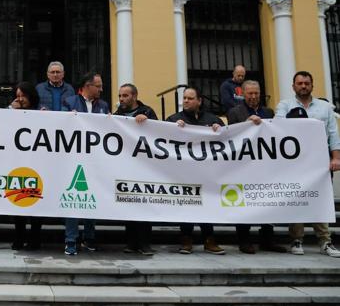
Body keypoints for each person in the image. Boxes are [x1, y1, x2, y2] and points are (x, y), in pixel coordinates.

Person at [276, 70, 340, 258]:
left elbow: (333, 135)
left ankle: (325, 241)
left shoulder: (325, 107)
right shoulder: (284, 106)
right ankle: (296, 239)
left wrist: (335, 158)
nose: (303, 86)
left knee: (321, 200)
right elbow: (277, 128)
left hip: (320, 162)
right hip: (294, 163)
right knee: (297, 199)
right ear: (293, 86)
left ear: (312, 85)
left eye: (306, 83)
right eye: (300, 83)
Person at [226, 80, 287, 254]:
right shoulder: (234, 112)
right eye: (250, 93)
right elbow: (232, 133)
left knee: (267, 200)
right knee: (244, 203)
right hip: (243, 165)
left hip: (264, 164)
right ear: (243, 94)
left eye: (256, 93)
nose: (253, 97)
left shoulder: (268, 112)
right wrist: (247, 122)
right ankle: (244, 240)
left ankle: (267, 238)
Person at [166, 86, 225, 255]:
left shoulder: (212, 119)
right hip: (184, 173)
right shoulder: (174, 119)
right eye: (184, 98)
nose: (185, 101)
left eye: (190, 98)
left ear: (199, 101)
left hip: (206, 173)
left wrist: (217, 128)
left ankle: (209, 239)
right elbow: (163, 138)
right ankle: (186, 239)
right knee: (187, 204)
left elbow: (226, 138)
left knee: (206, 205)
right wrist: (173, 128)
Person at [62, 73, 109, 255]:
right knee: (73, 199)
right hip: (73, 158)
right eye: (98, 86)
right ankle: (71, 240)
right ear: (88, 86)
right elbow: (60, 123)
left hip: (95, 160)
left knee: (92, 199)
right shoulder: (70, 101)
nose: (101, 89)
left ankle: (89, 238)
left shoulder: (103, 105)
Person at [113, 83, 157, 255]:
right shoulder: (118, 115)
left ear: (135, 96)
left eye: (125, 96)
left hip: (144, 166)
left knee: (144, 204)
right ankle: (131, 243)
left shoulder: (147, 111)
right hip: (126, 166)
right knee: (129, 203)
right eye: (120, 96)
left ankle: (145, 244)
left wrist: (147, 123)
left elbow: (158, 133)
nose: (122, 99)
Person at [10, 82, 43, 251]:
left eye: (23, 96)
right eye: (18, 95)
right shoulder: (12, 111)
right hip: (18, 163)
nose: (20, 99)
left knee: (36, 202)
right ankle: (19, 238)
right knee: (18, 200)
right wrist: (11, 110)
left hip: (37, 164)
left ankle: (35, 239)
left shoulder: (40, 112)